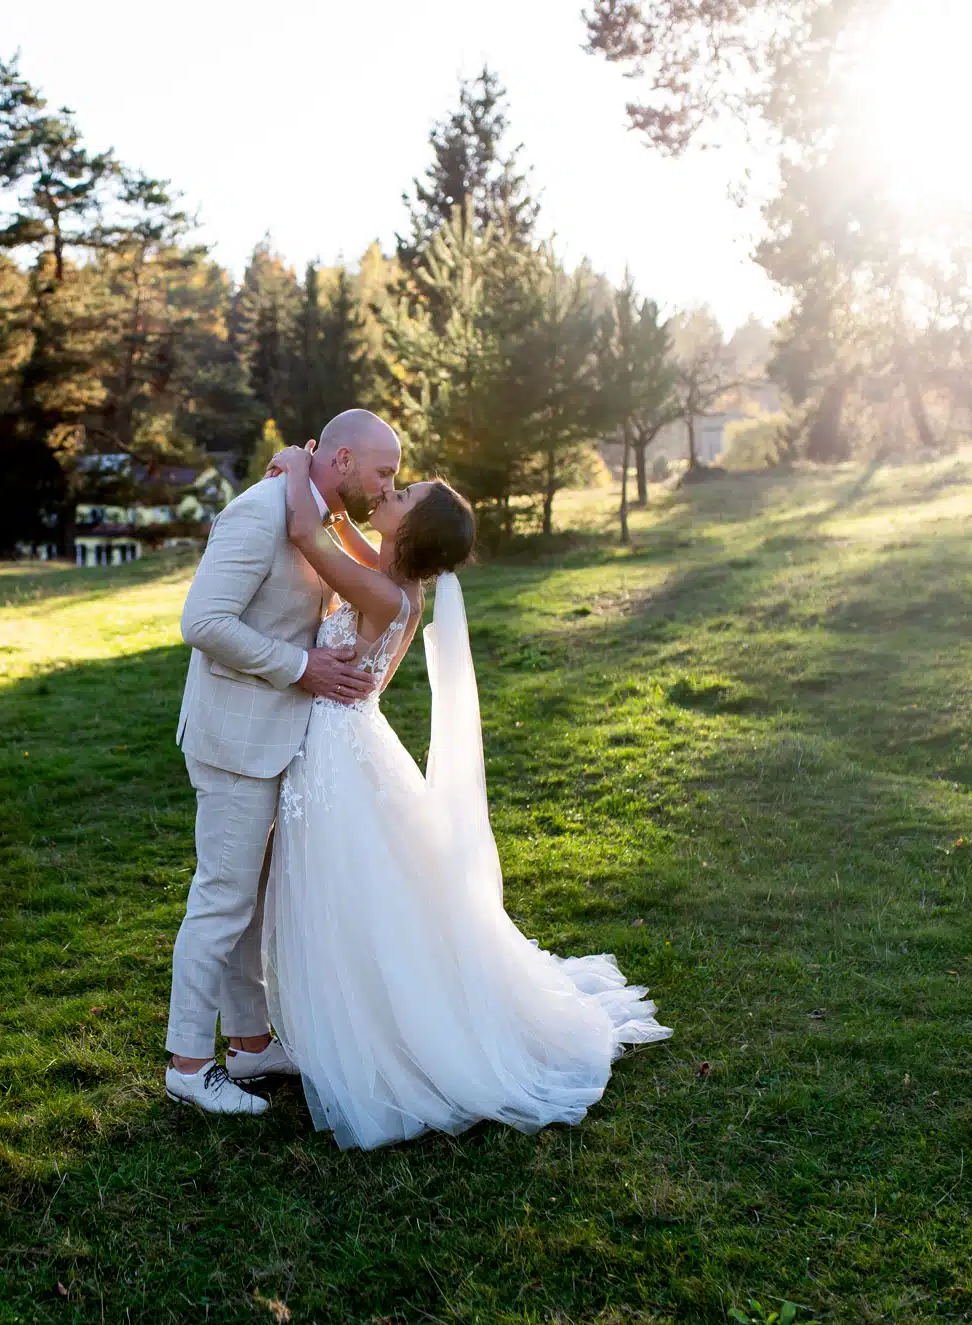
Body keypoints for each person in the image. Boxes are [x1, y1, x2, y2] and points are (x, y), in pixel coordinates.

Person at [257, 442, 672, 1149]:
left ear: (412, 531)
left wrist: (294, 463)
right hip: (347, 747)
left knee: (354, 893)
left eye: (406, 494)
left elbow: (306, 535)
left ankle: (377, 1032)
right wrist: (322, 490)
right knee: (375, 895)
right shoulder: (389, 574)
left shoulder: (386, 593)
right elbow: (339, 532)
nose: (394, 491)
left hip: (338, 757)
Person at [165, 410, 402, 1114]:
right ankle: (186, 1062)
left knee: (251, 901)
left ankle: (248, 1043)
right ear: (342, 459)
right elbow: (202, 624)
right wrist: (301, 667)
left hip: (277, 740)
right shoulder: (258, 512)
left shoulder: (311, 512)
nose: (388, 484)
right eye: (382, 471)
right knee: (222, 900)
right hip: (235, 741)